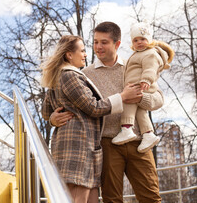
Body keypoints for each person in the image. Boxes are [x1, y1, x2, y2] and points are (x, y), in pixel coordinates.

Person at [50, 22, 165, 202]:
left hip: (139, 141)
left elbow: (158, 98)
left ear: (117, 44)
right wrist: (52, 118)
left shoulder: (134, 65)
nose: (98, 47)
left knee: (151, 197)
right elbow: (59, 102)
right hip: (108, 143)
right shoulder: (84, 74)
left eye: (104, 42)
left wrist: (139, 98)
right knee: (112, 199)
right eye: (95, 42)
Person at [40, 35, 141, 203]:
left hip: (85, 148)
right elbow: (93, 107)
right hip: (76, 147)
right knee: (77, 197)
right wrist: (122, 96)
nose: (86, 54)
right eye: (82, 50)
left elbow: (46, 112)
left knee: (91, 197)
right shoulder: (69, 76)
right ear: (69, 55)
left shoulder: (59, 77)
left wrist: (52, 119)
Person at [112, 22, 174, 153]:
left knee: (128, 102)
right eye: (136, 40)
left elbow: (150, 68)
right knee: (141, 112)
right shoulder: (138, 54)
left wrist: (146, 80)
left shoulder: (150, 53)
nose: (139, 42)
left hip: (140, 86)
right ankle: (148, 134)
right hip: (138, 85)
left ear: (150, 40)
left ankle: (126, 128)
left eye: (143, 39)